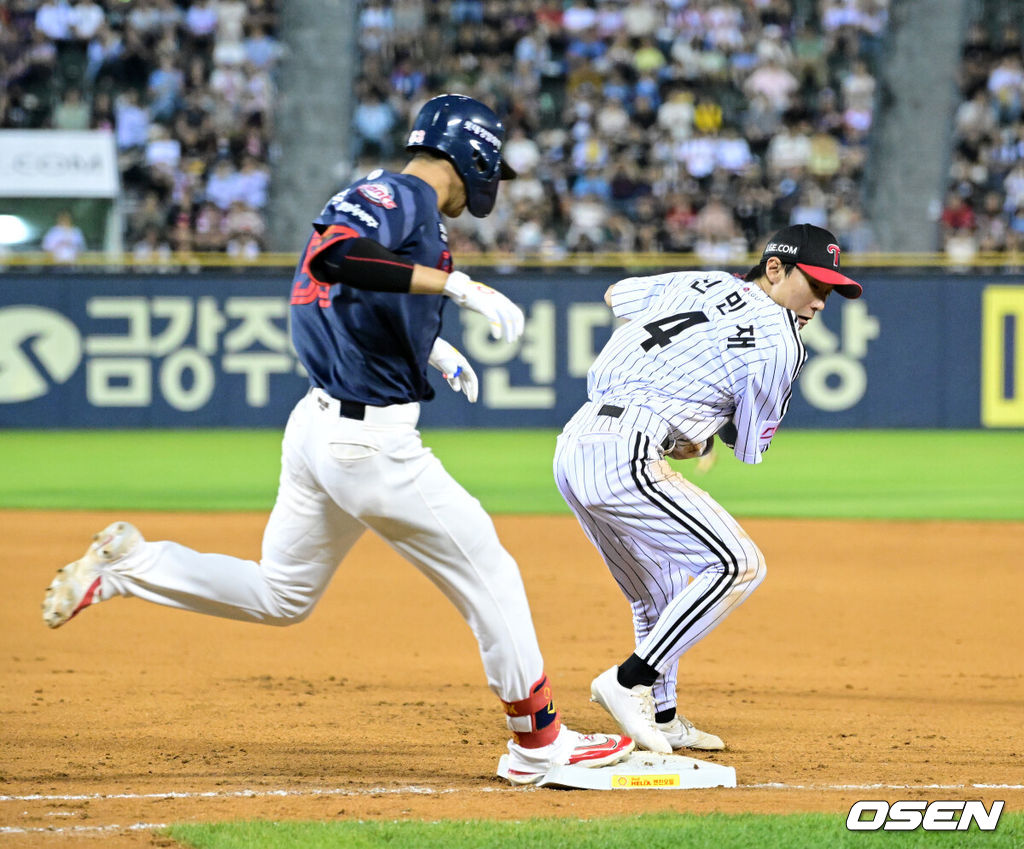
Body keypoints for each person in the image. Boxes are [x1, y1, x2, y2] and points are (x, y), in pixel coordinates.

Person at [41, 94, 633, 786]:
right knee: (492, 572)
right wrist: (457, 285)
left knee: (281, 594)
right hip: (369, 444)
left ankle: (130, 567)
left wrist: (431, 348)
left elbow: (348, 295)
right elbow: (335, 258)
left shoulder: (389, 200)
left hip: (319, 425)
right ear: (473, 157)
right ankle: (538, 744)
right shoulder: (402, 195)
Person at [553, 223, 863, 754]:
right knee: (739, 565)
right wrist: (699, 427)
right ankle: (628, 682)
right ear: (774, 269)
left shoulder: (703, 282)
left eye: (830, 291)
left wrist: (674, 384)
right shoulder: (782, 341)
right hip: (627, 450)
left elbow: (616, 295)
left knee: (660, 588)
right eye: (814, 284)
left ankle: (666, 717)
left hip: (576, 445)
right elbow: (748, 444)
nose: (820, 301)